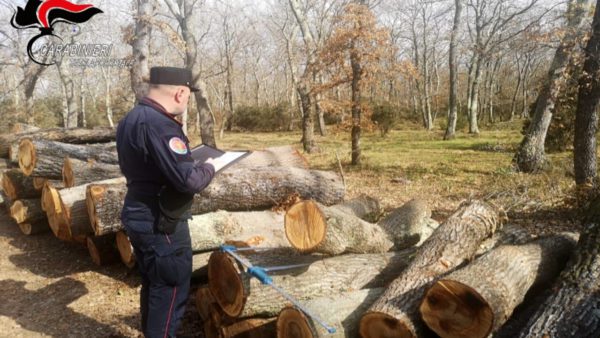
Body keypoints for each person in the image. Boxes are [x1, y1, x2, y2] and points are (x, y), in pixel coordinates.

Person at [116, 66, 225, 338]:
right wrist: (211, 166)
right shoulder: (162, 125)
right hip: (160, 222)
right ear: (179, 93)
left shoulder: (132, 118)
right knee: (170, 288)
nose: (187, 102)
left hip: (140, 212)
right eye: (188, 96)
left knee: (155, 285)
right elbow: (190, 182)